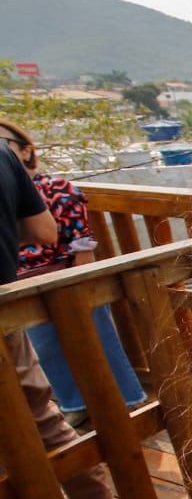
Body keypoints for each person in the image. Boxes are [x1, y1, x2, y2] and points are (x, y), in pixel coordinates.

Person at [0, 146, 134, 499]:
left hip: (27, 291)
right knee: (43, 416)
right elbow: (40, 228)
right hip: (5, 302)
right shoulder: (2, 156)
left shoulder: (60, 185)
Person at [1, 119, 148, 427]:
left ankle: (130, 399)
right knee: (47, 350)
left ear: (26, 151)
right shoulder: (12, 192)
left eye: (6, 144)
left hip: (65, 275)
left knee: (101, 342)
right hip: (23, 283)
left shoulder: (59, 189)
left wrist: (82, 279)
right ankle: (74, 404)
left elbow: (79, 239)